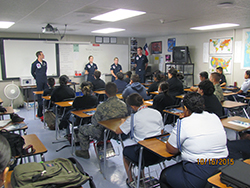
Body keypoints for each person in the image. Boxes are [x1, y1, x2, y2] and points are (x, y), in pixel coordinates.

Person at [160, 92, 228, 188]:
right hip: (222, 167)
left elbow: (171, 149)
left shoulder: (183, 123)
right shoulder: (214, 116)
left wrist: (180, 123)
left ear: (186, 109)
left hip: (199, 172)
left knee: (165, 175)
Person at [115, 93, 164, 186]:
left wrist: (122, 122)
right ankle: (141, 176)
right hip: (159, 153)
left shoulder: (134, 118)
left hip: (144, 156)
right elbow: (161, 131)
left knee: (126, 151)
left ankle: (130, 179)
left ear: (133, 107)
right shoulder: (156, 112)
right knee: (141, 147)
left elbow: (118, 131)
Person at [76, 82, 128, 159]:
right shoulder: (123, 105)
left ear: (105, 92)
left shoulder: (102, 106)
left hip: (102, 133)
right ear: (117, 90)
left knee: (81, 129)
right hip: (117, 132)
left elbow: (94, 122)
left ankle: (84, 151)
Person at [31, 51, 49, 119]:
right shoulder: (34, 63)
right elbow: (32, 72)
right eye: (42, 54)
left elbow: (45, 70)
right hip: (39, 81)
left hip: (45, 79)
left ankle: (48, 110)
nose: (43, 55)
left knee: (47, 93)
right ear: (39, 56)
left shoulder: (44, 63)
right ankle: (39, 113)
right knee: (39, 97)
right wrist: (37, 77)